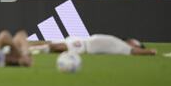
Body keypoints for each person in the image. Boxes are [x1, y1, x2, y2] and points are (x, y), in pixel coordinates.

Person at [29, 34, 157, 56]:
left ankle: (31, 50)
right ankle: (28, 47)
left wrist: (151, 52)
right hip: (84, 40)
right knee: (52, 43)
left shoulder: (123, 47)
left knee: (58, 47)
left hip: (85, 46)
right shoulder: (119, 43)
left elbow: (134, 52)